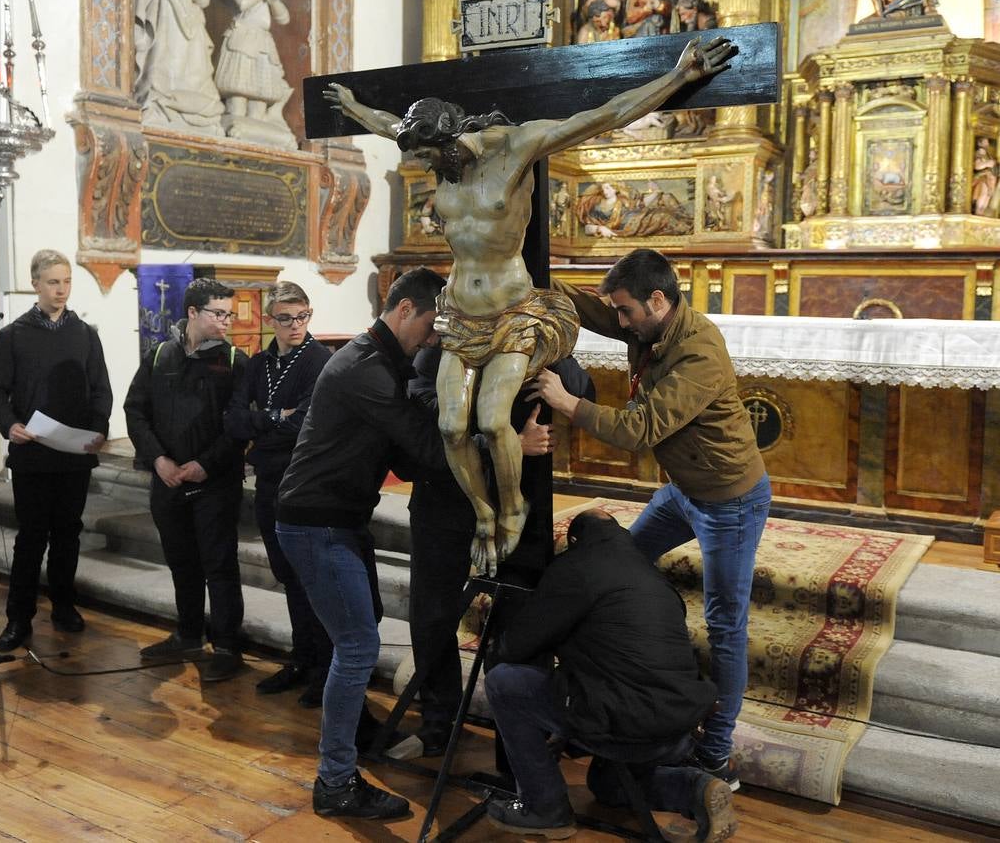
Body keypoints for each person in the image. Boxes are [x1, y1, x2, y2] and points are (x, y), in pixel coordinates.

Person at [323, 34, 737, 578]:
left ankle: (512, 509)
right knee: (451, 427)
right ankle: (483, 514)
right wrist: (354, 109)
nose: (422, 169)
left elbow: (606, 114)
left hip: (513, 312)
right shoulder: (435, 157)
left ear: (447, 141)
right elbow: (387, 124)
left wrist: (680, 77)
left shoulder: (515, 149)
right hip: (460, 315)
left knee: (494, 423)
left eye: (425, 157)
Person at [529, 248, 772, 792]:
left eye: (626, 312)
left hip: (729, 501)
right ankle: (610, 696)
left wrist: (567, 403)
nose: (618, 323)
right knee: (620, 570)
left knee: (726, 625)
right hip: (683, 491)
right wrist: (531, 278)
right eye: (618, 312)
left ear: (657, 300)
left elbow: (641, 429)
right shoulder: (646, 323)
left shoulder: (699, 352)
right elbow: (593, 310)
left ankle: (714, 755)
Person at [274, 267, 450, 821]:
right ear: (404, 310)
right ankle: (335, 782)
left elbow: (400, 454)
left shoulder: (383, 361)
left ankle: (352, 744)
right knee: (357, 648)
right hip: (316, 523)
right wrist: (505, 442)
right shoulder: (364, 368)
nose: (432, 335)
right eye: (429, 323)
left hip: (339, 520)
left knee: (359, 631)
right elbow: (421, 447)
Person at [483, 508, 737, 841]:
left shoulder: (574, 569)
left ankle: (545, 808)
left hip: (624, 720)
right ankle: (696, 788)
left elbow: (514, 647)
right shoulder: (655, 579)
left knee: (504, 683)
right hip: (678, 726)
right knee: (606, 785)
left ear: (574, 540)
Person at [404, 345, 583, 755]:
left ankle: (515, 743)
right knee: (432, 617)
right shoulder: (440, 351)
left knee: (514, 627)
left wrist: (555, 357)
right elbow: (432, 420)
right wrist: (511, 441)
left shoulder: (532, 342)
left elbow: (577, 389)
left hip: (516, 506)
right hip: (443, 503)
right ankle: (438, 721)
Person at [0, 250, 112, 652]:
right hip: (33, 453)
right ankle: (19, 619)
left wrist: (99, 429)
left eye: (67, 282)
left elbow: (101, 390)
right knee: (31, 537)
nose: (61, 290)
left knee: (68, 534)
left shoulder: (85, 333)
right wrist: (10, 425)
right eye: (53, 282)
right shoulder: (12, 336)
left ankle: (63, 605)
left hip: (73, 452)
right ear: (36, 284)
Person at [124, 278, 249, 682]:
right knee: (182, 561)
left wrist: (205, 464)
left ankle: (228, 646)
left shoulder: (235, 362)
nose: (226, 321)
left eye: (229, 313)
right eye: (218, 313)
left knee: (220, 565)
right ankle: (189, 633)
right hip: (168, 479)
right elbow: (135, 410)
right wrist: (158, 458)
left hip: (214, 481)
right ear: (193, 313)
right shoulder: (160, 355)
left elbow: (239, 425)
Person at [223, 281, 332, 706]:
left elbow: (303, 423)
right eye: (286, 319)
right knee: (287, 575)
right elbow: (232, 420)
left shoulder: (319, 360)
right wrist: (272, 417)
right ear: (271, 319)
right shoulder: (260, 363)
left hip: (302, 480)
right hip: (268, 478)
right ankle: (302, 658)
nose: (296, 326)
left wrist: (261, 421)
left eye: (303, 316)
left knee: (310, 576)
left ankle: (324, 667)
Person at [132, 0, 225, 134]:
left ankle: (189, 105)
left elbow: (204, 0)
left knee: (194, 69)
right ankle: (160, 98)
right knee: (164, 65)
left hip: (190, 27)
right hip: (166, 24)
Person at [214, 0, 295, 147]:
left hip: (263, 43)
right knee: (237, 100)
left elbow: (283, 17)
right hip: (242, 39)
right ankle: (235, 137)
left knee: (260, 102)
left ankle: (260, 142)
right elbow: (242, 2)